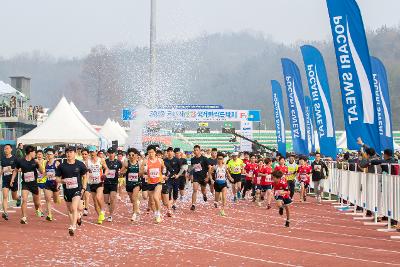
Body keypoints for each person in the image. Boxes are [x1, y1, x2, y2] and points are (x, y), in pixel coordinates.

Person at [55, 146, 87, 236]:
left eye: (71, 152)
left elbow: (85, 176)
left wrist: (84, 188)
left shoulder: (80, 164)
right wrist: (62, 181)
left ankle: (73, 226)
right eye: (67, 152)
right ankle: (78, 217)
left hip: (77, 189)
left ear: (75, 153)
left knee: (74, 207)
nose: (69, 154)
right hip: (67, 190)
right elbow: (57, 178)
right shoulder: (62, 166)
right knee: (70, 210)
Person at [11, 145, 45, 224]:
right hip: (25, 184)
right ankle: (24, 217)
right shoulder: (21, 161)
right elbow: (15, 170)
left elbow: (41, 172)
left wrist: (39, 164)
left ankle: (37, 209)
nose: (35, 154)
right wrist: (12, 179)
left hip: (34, 184)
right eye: (34, 152)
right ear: (30, 152)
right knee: (24, 200)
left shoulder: (35, 161)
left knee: (37, 203)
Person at [140, 145, 164, 223]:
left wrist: (163, 174)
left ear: (155, 152)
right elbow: (140, 173)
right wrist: (144, 170)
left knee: (156, 197)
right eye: (149, 152)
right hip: (149, 182)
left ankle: (158, 214)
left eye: (152, 152)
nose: (151, 154)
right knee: (152, 201)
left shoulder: (160, 160)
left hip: (158, 182)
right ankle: (156, 213)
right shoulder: (145, 161)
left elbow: (164, 169)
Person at [87, 146, 108, 224]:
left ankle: (102, 210)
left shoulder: (101, 160)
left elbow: (106, 168)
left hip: (99, 182)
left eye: (93, 152)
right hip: (91, 183)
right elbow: (85, 171)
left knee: (98, 197)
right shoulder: (87, 161)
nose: (92, 153)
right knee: (95, 203)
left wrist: (104, 175)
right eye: (90, 152)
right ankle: (100, 216)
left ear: (96, 152)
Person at [120, 148, 142, 222]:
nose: (131, 156)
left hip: (137, 183)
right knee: (132, 200)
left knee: (134, 197)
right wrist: (123, 172)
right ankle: (137, 206)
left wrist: (142, 173)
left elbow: (142, 172)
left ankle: (134, 214)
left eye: (133, 155)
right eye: (129, 155)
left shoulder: (139, 163)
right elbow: (121, 172)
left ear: (136, 155)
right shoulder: (126, 163)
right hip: (129, 184)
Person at [1, 144, 21, 220]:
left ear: (11, 149)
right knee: (5, 197)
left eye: (7, 148)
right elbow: (2, 170)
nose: (5, 150)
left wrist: (12, 170)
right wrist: (3, 171)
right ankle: (5, 213)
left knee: (14, 197)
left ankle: (18, 198)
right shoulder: (3, 159)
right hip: (5, 180)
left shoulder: (15, 159)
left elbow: (20, 169)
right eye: (5, 149)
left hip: (13, 181)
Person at [104, 147, 122, 222]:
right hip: (106, 183)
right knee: (106, 200)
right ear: (108, 154)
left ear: (115, 154)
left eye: (113, 153)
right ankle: (110, 206)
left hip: (114, 183)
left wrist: (121, 174)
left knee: (112, 198)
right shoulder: (105, 162)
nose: (111, 154)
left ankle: (110, 215)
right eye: (110, 153)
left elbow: (123, 169)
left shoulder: (118, 162)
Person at [189, 145, 210, 211]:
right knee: (195, 189)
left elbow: (210, 168)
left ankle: (204, 195)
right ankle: (193, 205)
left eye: (197, 150)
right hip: (196, 177)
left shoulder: (205, 159)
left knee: (203, 190)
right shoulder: (192, 159)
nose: (195, 151)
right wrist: (191, 175)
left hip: (203, 177)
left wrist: (207, 177)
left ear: (200, 151)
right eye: (194, 150)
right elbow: (191, 168)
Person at [43, 148, 61, 221]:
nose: (49, 155)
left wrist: (59, 183)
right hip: (48, 183)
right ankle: (49, 215)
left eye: (50, 154)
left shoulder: (57, 163)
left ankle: (57, 198)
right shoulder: (46, 163)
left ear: (54, 155)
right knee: (47, 199)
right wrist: (41, 177)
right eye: (48, 154)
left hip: (55, 183)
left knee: (56, 200)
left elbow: (61, 173)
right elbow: (45, 172)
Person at [81, 148, 91, 216]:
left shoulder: (91, 162)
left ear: (88, 154)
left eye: (85, 154)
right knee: (83, 196)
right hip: (82, 181)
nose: (84, 155)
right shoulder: (80, 162)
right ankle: (83, 208)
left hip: (91, 181)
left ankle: (86, 209)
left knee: (87, 195)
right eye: (83, 154)